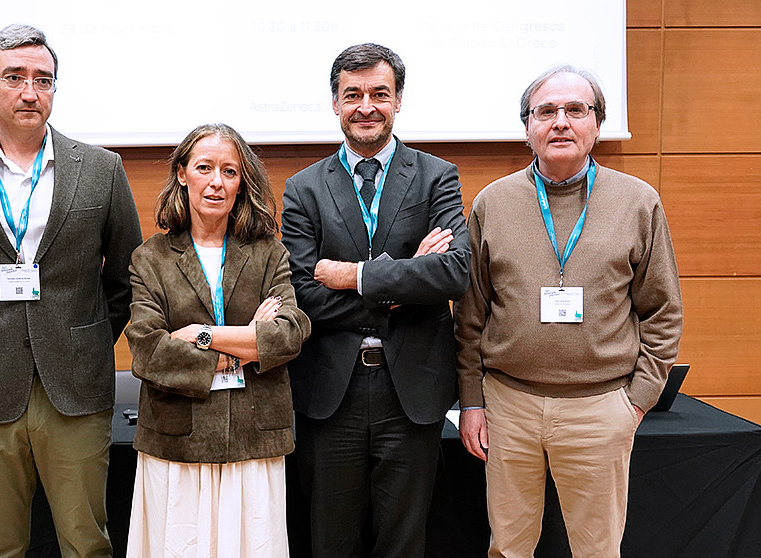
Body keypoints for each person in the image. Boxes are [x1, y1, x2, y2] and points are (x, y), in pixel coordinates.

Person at [0, 24, 141, 557]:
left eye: (43, 79)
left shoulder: (102, 170)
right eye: (14, 77)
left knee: (87, 544)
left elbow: (125, 279)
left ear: (54, 90)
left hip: (76, 388)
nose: (29, 91)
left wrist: (81, 339)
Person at [454, 65, 683, 557]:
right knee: (508, 548)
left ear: (596, 124)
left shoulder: (639, 202)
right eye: (546, 111)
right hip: (508, 405)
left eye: (575, 110)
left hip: (601, 407)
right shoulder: (493, 203)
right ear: (527, 127)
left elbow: (662, 311)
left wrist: (636, 402)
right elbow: (471, 313)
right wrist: (472, 400)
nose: (560, 122)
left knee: (597, 550)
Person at [280, 43, 471, 558]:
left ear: (399, 100)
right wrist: (407, 284)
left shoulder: (436, 177)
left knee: (403, 543)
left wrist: (356, 276)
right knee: (330, 541)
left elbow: (454, 273)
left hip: (411, 391)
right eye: (353, 94)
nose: (367, 106)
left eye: (379, 94)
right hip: (329, 393)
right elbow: (302, 294)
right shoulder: (303, 190)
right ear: (336, 104)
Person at [124, 123, 311, 558]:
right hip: (177, 439)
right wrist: (242, 349)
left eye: (229, 171)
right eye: (205, 168)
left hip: (254, 438)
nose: (216, 182)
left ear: (241, 181)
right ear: (182, 174)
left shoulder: (269, 252)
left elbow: (289, 334)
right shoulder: (150, 258)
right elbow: (150, 351)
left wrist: (205, 336)